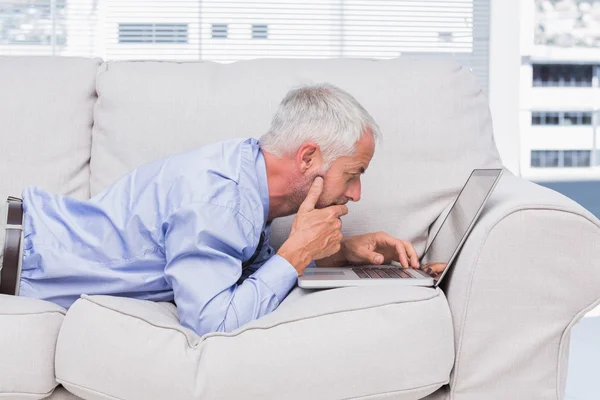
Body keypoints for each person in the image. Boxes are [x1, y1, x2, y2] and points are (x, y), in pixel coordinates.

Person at [0, 83, 421, 336]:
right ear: (308, 158)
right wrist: (295, 254)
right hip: (13, 253)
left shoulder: (247, 176)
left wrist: (339, 252)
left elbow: (243, 276)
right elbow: (213, 322)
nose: (357, 192)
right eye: (353, 173)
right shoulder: (219, 201)